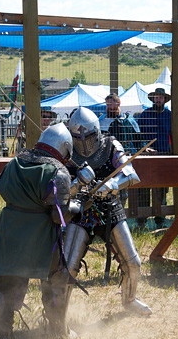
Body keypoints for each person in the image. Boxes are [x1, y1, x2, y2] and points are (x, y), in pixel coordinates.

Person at [0, 123, 94, 339]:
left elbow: (3, 188)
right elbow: (58, 215)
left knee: (5, 283)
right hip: (40, 237)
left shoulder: (15, 162)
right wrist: (78, 204)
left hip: (11, 230)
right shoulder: (58, 173)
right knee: (56, 278)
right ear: (65, 148)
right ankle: (58, 329)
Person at [64, 107, 152, 316]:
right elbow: (60, 187)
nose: (84, 142)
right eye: (77, 137)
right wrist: (78, 182)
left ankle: (129, 301)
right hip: (81, 211)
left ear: (97, 132)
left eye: (89, 136)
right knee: (67, 268)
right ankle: (59, 316)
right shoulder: (67, 153)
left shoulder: (110, 145)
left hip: (110, 208)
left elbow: (131, 174)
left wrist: (110, 185)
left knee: (133, 264)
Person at [136, 87, 172, 229]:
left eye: (160, 97)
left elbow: (174, 134)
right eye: (156, 97)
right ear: (153, 99)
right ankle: (141, 220)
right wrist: (145, 147)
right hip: (146, 156)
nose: (158, 99)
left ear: (164, 99)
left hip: (163, 155)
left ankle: (160, 219)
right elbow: (138, 135)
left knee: (162, 188)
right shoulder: (145, 115)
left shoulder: (170, 115)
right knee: (144, 187)